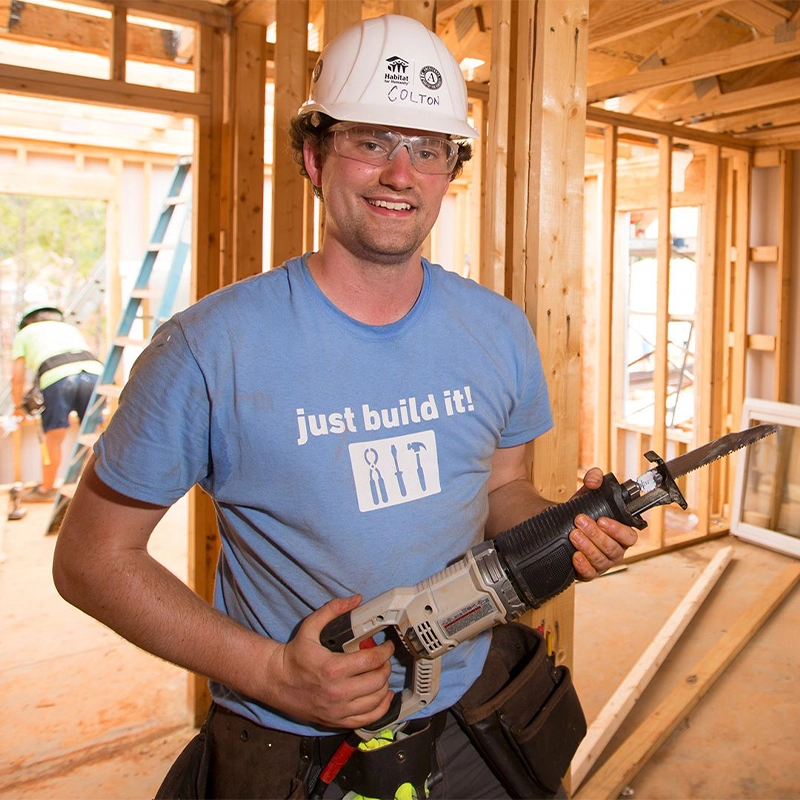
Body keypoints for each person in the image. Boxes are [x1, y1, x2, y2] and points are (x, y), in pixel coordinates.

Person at [52, 15, 638, 800]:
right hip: (294, 749)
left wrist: (564, 528)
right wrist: (273, 672)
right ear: (313, 156)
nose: (401, 173)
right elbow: (91, 559)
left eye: (427, 149)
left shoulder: (497, 329)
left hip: (472, 725)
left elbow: (503, 491)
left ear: (448, 168)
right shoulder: (208, 349)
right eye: (371, 141)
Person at [11, 303, 102, 502]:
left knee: (54, 435)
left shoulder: (25, 333)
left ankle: (46, 489)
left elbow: (17, 377)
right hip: (94, 372)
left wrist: (18, 406)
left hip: (57, 376)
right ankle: (98, 492)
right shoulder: (68, 328)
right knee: (93, 435)